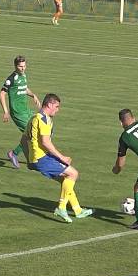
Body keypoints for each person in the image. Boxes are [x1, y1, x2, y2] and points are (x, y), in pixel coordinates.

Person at [22, 93, 93, 223]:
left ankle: (77, 210)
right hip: (42, 158)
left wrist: (29, 159)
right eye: (57, 106)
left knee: (65, 181)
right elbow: (45, 142)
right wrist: (62, 157)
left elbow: (23, 139)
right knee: (73, 174)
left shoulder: (33, 118)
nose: (58, 110)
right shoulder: (43, 119)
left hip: (38, 158)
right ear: (49, 104)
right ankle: (61, 207)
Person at [0, 55, 40, 169]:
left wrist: (33, 95)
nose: (23, 68)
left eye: (24, 66)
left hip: (26, 110)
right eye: (20, 66)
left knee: (37, 128)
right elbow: (1, 94)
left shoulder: (23, 76)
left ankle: (27, 156)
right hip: (17, 112)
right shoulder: (11, 79)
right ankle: (15, 154)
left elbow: (24, 88)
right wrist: (6, 111)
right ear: (15, 66)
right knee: (32, 133)